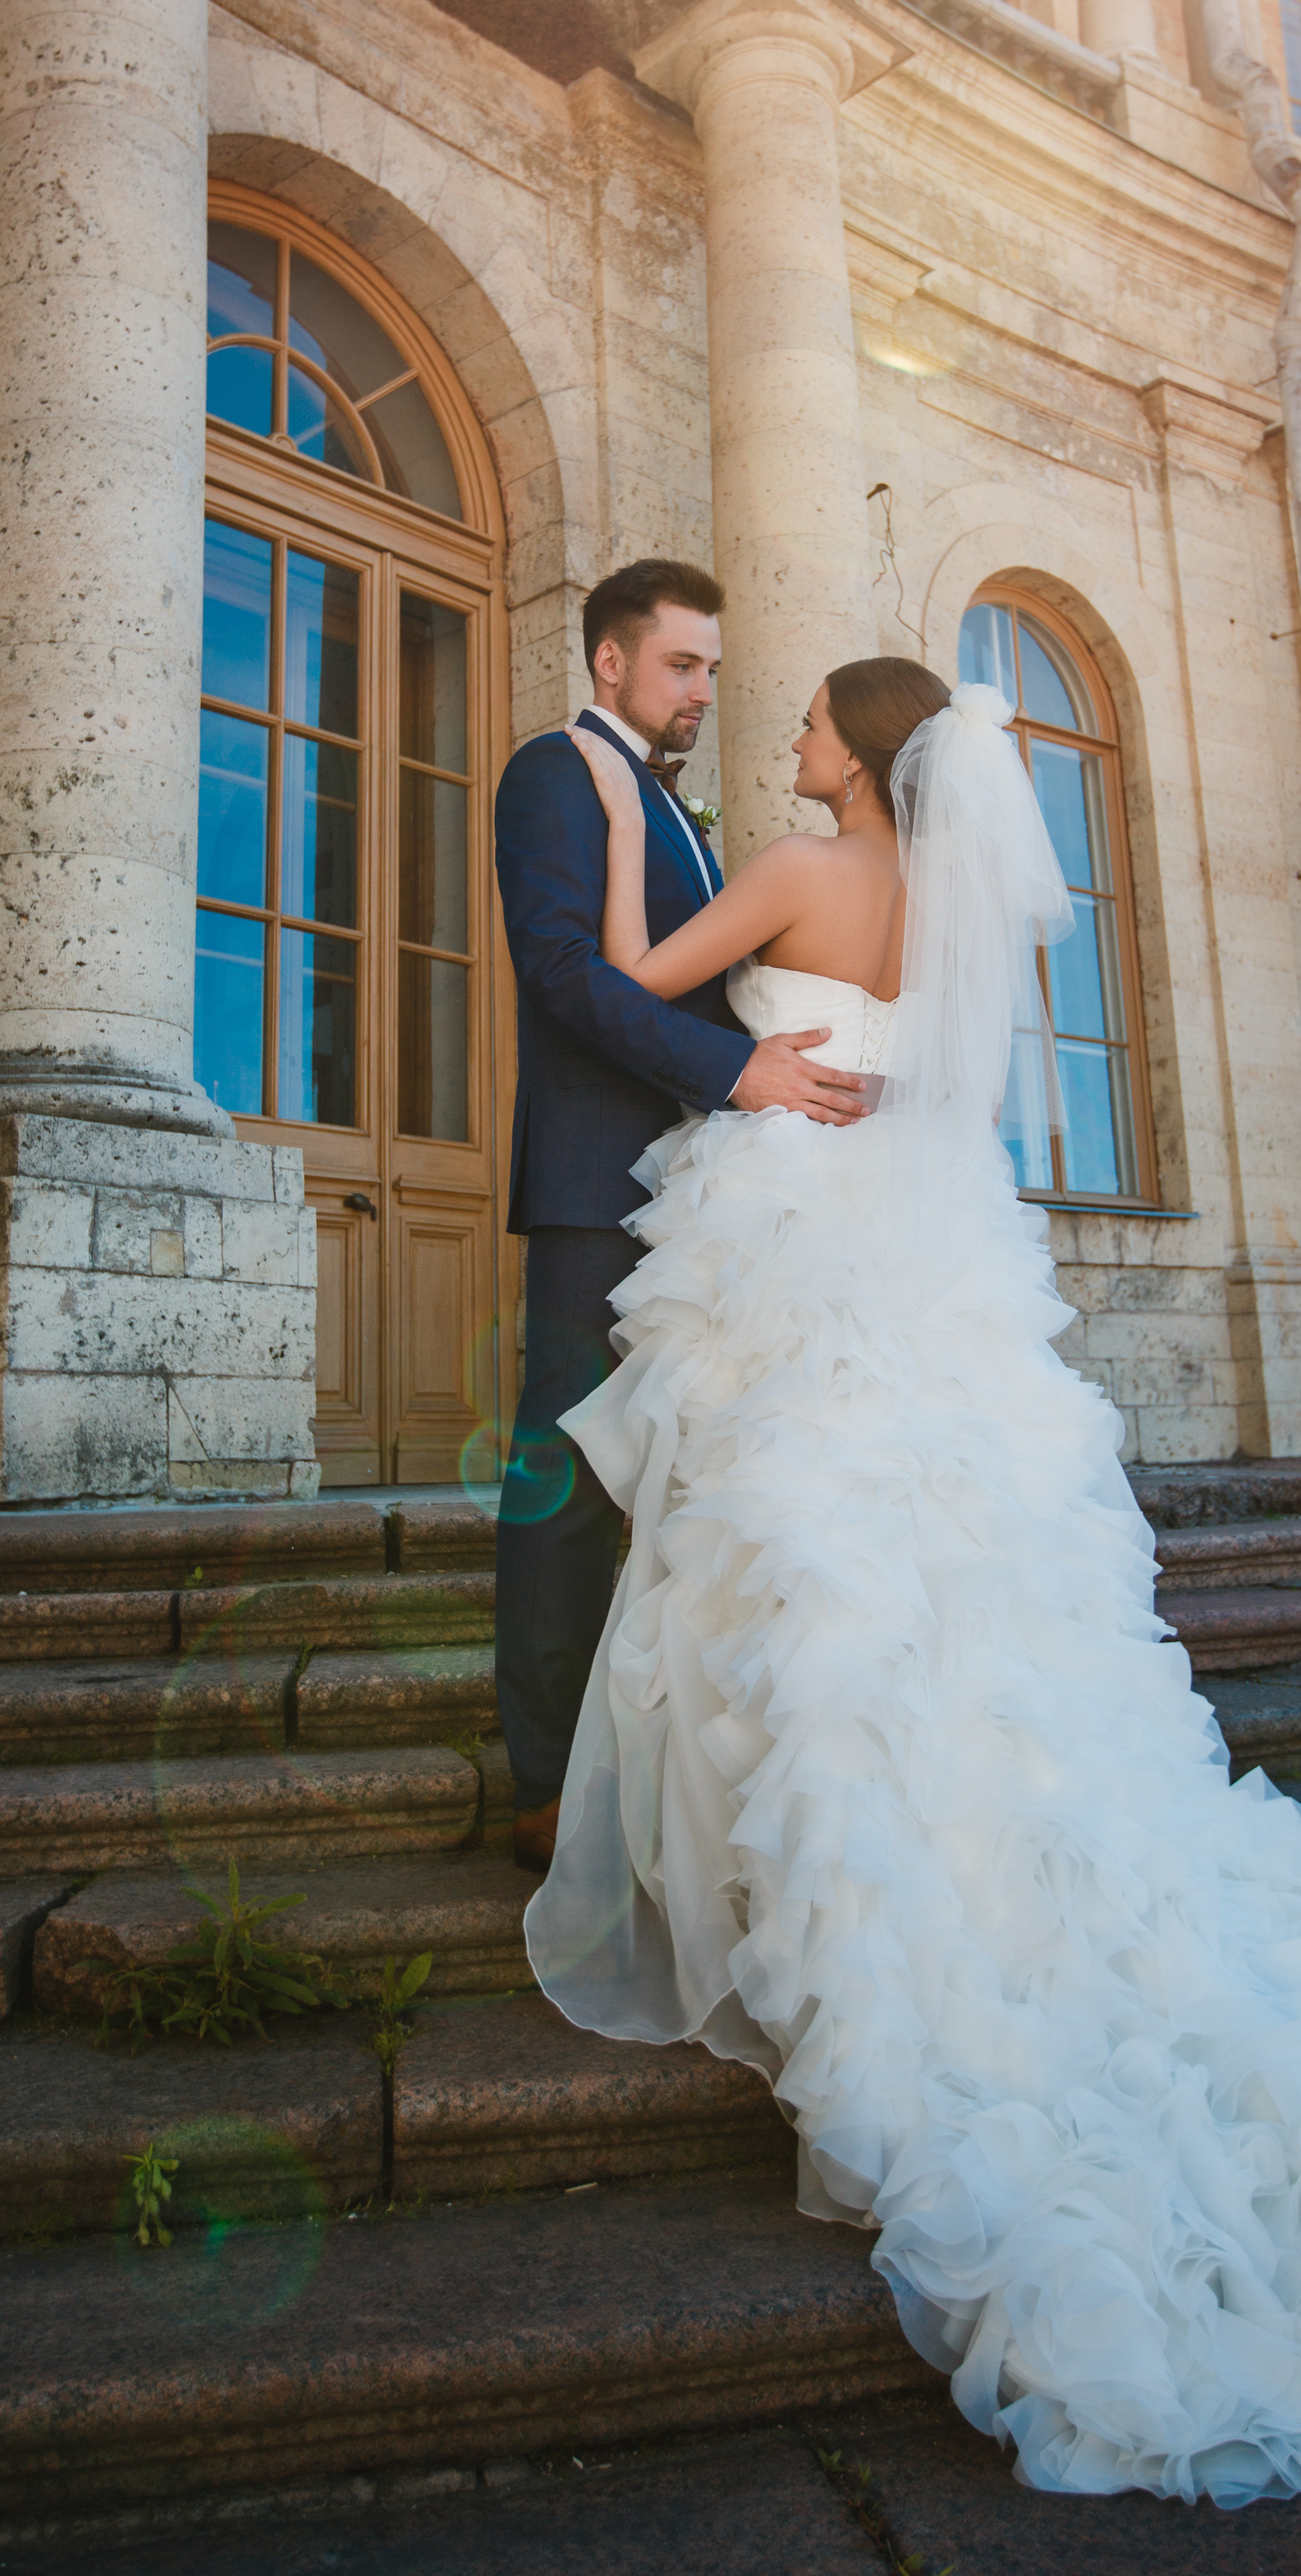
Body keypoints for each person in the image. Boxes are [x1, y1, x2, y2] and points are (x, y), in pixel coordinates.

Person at [525, 652, 1301, 2509]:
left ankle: (827, 1878)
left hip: (792, 1230)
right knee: (951, 1574)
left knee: (791, 1568)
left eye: (804, 726)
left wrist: (617, 829)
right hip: (922, 1254)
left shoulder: (782, 866)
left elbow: (625, 980)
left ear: (852, 751)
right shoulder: (949, 903)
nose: (782, 743)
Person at [492, 558, 871, 1879]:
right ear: (611, 663)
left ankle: (661, 1770)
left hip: (713, 1201)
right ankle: (542, 1786)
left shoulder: (680, 810)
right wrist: (741, 1070)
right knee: (570, 1487)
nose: (705, 689)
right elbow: (560, 975)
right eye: (683, 666)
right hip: (603, 1188)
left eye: (711, 668)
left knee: (696, 1491)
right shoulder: (554, 772)